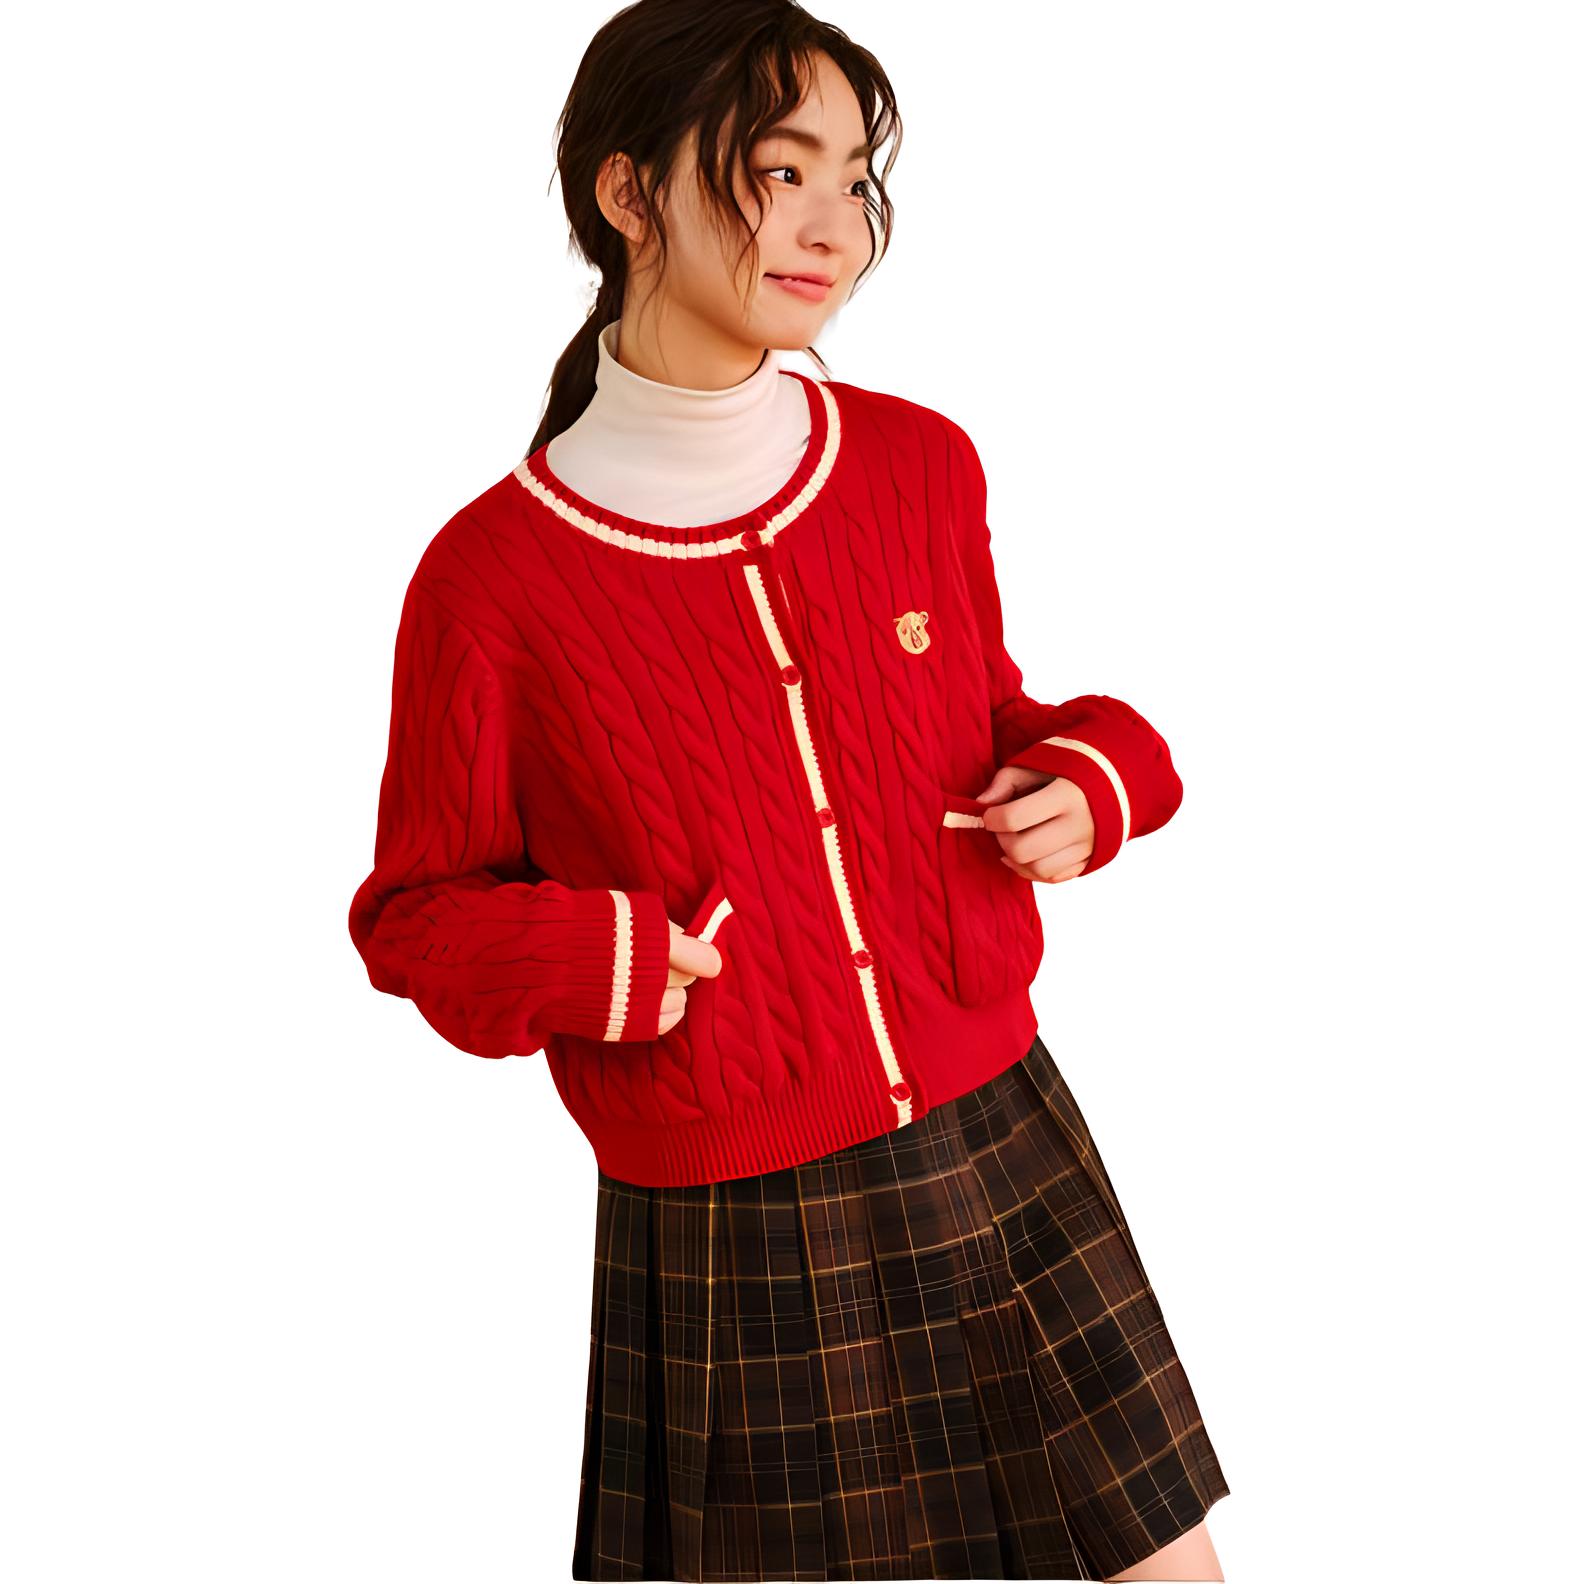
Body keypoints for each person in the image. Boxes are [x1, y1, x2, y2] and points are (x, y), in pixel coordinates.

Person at [347, 2, 1231, 1578]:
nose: (835, 225)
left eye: (855, 178)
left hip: (1004, 1138)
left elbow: (986, 721)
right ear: (629, 194)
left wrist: (1095, 778)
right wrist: (609, 959)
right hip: (742, 1225)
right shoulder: (492, 583)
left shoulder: (916, 467)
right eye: (779, 172)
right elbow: (416, 915)